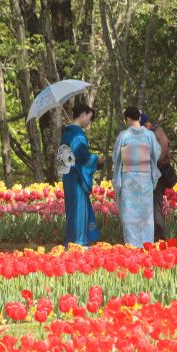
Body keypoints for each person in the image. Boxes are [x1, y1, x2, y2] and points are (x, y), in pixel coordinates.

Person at [112, 106, 161, 248]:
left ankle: (132, 244)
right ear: (139, 118)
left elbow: (116, 157)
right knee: (146, 215)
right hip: (145, 178)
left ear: (127, 119)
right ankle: (146, 243)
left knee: (130, 214)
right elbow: (156, 153)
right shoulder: (149, 135)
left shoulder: (124, 136)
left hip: (129, 178)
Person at [60, 104, 105, 246]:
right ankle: (78, 241)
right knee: (78, 208)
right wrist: (97, 160)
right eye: (89, 118)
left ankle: (73, 240)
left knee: (72, 207)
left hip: (68, 174)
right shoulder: (76, 133)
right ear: (83, 114)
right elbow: (82, 156)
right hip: (77, 174)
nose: (88, 122)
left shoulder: (67, 131)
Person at [140, 113, 171, 241]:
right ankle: (155, 233)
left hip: (158, 173)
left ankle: (158, 234)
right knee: (154, 203)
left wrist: (152, 162)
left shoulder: (156, 133)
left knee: (155, 203)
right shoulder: (156, 132)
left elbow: (162, 153)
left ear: (146, 124)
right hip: (156, 173)